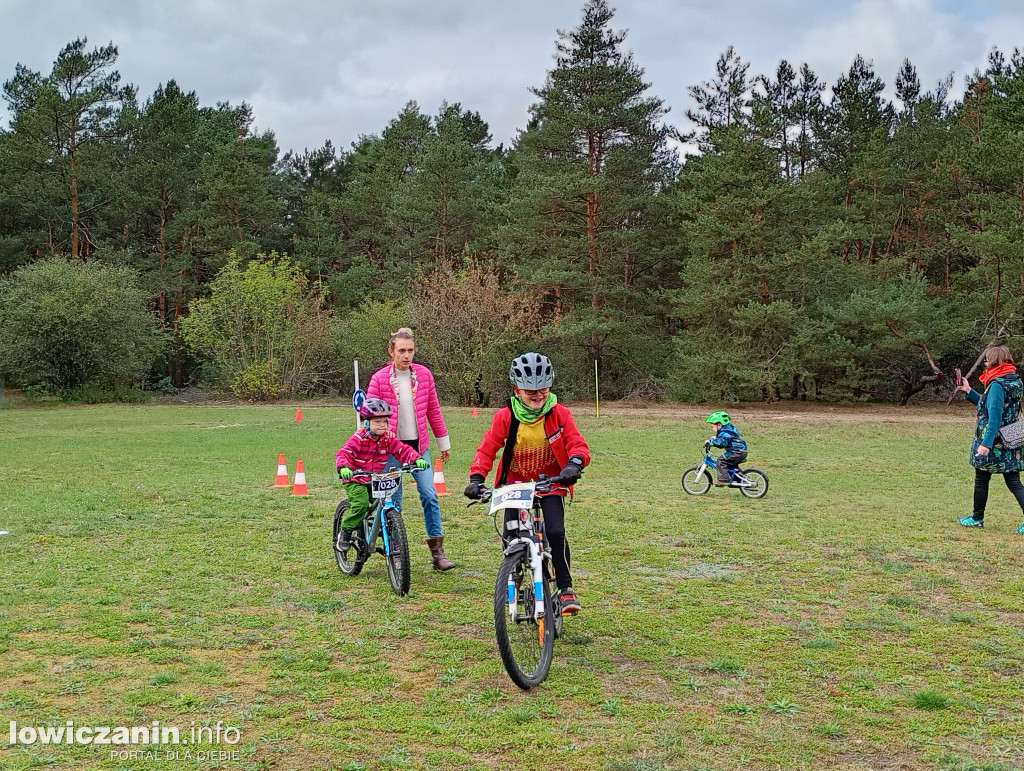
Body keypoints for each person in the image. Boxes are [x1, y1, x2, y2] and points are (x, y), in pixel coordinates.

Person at [464, 352, 590, 614]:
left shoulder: (559, 414)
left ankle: (565, 588)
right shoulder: (506, 417)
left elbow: (577, 443)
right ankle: (515, 569)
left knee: (555, 532)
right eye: (530, 390)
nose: (538, 394)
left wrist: (574, 464)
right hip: (516, 485)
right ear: (516, 389)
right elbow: (488, 448)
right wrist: (476, 477)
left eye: (543, 388)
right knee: (512, 535)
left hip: (552, 481)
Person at [366, 328, 456, 570]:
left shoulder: (424, 376)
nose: (406, 355)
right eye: (401, 351)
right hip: (390, 449)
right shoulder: (379, 379)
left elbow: (433, 411)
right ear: (391, 352)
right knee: (393, 501)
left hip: (419, 449)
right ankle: (395, 552)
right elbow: (368, 414)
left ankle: (438, 554)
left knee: (429, 494)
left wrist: (443, 443)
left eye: (410, 350)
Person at [335, 398, 429, 551]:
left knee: (380, 502)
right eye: (377, 422)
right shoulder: (359, 438)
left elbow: (402, 450)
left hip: (374, 479)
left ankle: (383, 531)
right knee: (361, 504)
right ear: (367, 423)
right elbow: (344, 453)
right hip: (356, 478)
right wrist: (344, 468)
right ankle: (345, 531)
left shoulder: (387, 440)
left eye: (385, 422)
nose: (382, 425)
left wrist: (416, 459)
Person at [956, 345, 1024, 533]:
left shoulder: (996, 384)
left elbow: (994, 416)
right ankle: (977, 517)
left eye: (987, 360)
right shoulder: (1014, 380)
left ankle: (977, 518)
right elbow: (989, 405)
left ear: (994, 361)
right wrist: (969, 391)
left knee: (982, 478)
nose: (985, 364)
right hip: (1010, 437)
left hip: (994, 440)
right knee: (1012, 479)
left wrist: (985, 444)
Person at [705, 411, 748, 486]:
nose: (712, 429)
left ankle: (723, 479)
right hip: (742, 451)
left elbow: (722, 443)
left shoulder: (725, 433)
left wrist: (711, 442)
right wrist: (716, 438)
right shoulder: (728, 430)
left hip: (736, 452)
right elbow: (725, 439)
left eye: (713, 427)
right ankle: (740, 479)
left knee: (721, 460)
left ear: (719, 425)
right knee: (731, 465)